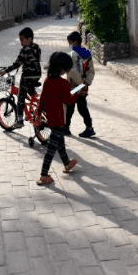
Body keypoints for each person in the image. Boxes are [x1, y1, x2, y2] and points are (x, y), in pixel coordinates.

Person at [36, 51, 79, 186]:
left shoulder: (48, 80)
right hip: (59, 120)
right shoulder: (63, 83)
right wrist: (77, 93)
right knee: (51, 150)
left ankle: (67, 164)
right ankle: (43, 175)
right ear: (62, 68)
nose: (66, 71)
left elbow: (42, 99)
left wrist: (38, 113)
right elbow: (68, 100)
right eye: (66, 68)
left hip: (50, 119)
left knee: (60, 143)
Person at [0, 27, 41, 130]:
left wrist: (5, 71)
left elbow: (17, 64)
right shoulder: (37, 47)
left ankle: (20, 120)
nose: (21, 43)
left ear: (29, 39)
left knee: (21, 97)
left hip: (27, 76)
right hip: (37, 75)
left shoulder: (24, 51)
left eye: (22, 40)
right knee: (30, 89)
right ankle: (35, 104)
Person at [65, 31, 96, 138]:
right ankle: (89, 128)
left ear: (75, 42)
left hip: (75, 86)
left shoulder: (73, 54)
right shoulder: (86, 53)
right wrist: (86, 83)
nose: (69, 45)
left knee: (71, 106)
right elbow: (91, 71)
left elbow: (71, 72)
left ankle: (66, 127)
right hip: (82, 86)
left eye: (70, 42)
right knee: (80, 107)